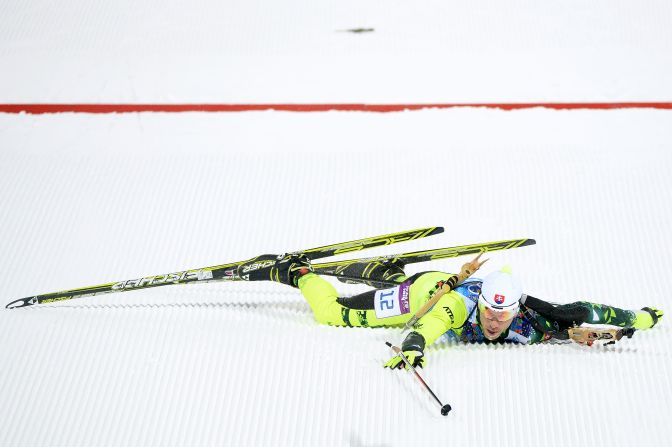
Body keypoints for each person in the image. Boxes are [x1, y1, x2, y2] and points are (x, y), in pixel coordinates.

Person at [247, 253, 663, 369]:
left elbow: (592, 310)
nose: (495, 322)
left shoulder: (534, 317)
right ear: (480, 303)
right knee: (334, 315)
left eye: (502, 315)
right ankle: (294, 270)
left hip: (450, 281)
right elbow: (425, 328)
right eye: (489, 313)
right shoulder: (456, 308)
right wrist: (413, 349)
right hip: (426, 294)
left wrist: (641, 318)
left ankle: (388, 274)